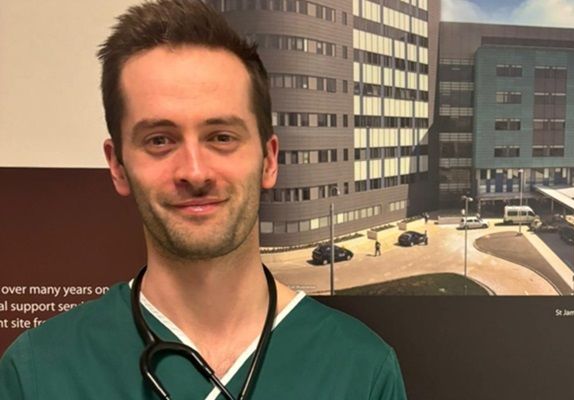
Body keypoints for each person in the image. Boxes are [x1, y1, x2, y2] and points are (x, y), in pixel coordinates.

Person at [0, 1, 407, 399]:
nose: (194, 172)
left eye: (221, 137)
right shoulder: (39, 372)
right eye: (159, 140)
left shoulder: (360, 369)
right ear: (118, 165)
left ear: (268, 160)